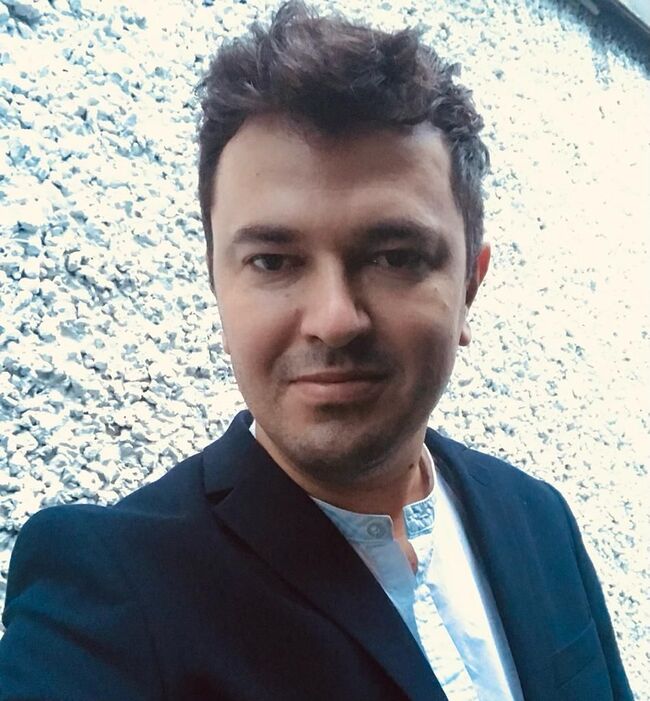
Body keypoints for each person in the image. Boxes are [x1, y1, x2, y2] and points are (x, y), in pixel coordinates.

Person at [0, 2, 633, 700]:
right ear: (218, 284)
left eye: (395, 256)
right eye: (273, 261)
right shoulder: (109, 592)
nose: (334, 321)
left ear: (469, 286)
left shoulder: (539, 519)